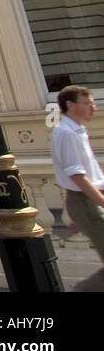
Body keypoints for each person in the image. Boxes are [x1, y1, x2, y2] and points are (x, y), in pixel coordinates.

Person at [50, 85, 104, 291]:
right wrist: (98, 204)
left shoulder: (77, 131)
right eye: (87, 103)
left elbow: (89, 176)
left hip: (87, 204)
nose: (94, 108)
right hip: (86, 203)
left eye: (93, 103)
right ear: (70, 105)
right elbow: (77, 177)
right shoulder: (66, 133)